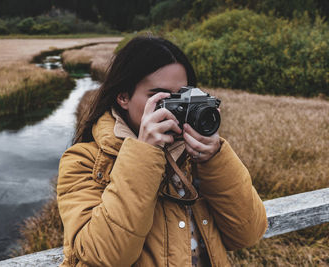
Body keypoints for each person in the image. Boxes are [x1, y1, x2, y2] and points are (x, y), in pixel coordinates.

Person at [56, 35, 267, 267]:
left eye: (182, 96)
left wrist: (215, 159)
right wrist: (145, 153)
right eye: (161, 97)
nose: (173, 109)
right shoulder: (83, 161)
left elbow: (248, 234)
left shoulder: (193, 155)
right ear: (123, 96)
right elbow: (103, 256)